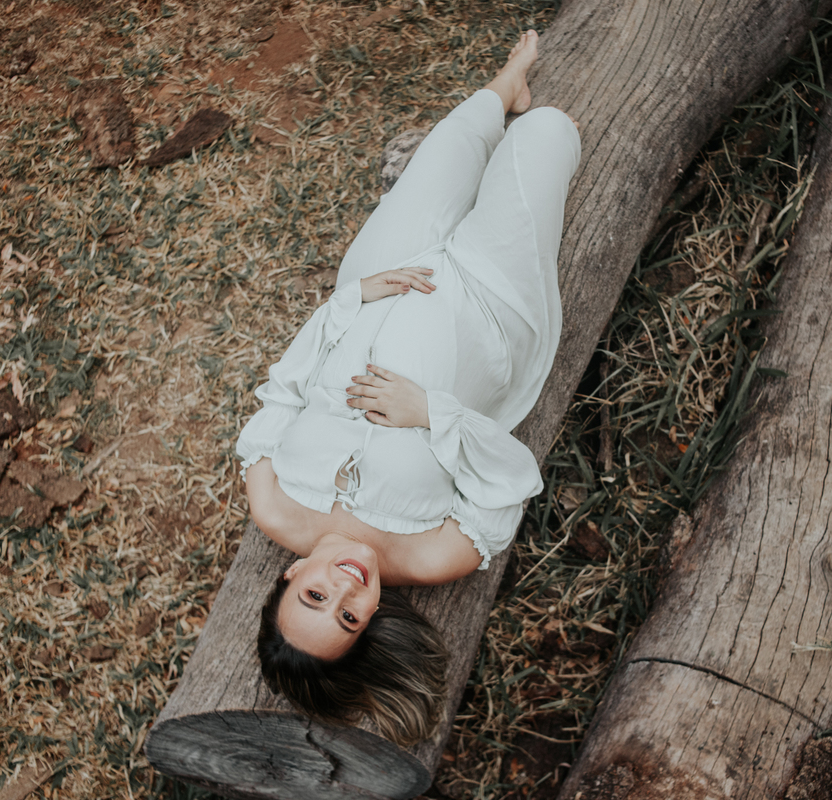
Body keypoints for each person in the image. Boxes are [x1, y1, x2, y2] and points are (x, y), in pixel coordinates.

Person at [236, 30, 581, 745]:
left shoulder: (272, 501)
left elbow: (285, 389)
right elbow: (510, 475)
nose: (345, 587)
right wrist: (431, 413)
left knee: (454, 143)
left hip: (385, 276)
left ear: (290, 575)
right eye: (349, 617)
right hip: (489, 307)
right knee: (549, 132)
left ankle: (505, 86)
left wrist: (351, 299)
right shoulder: (434, 556)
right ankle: (517, 125)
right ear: (373, 623)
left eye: (315, 595)